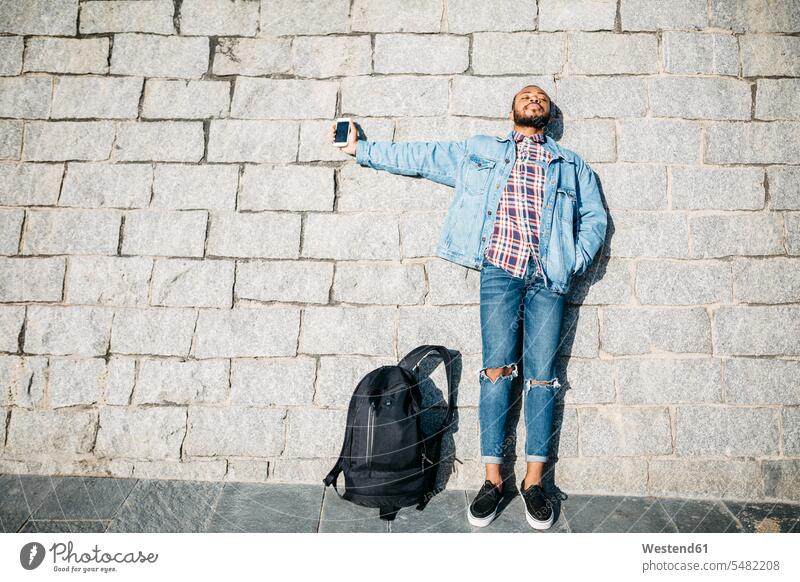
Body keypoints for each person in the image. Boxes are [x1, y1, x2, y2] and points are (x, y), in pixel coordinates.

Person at [329, 85, 607, 529]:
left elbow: (595, 217)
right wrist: (362, 149)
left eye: (541, 97)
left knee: (542, 378)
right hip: (499, 270)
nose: (534, 99)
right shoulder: (481, 151)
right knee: (495, 371)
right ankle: (494, 480)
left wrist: (573, 260)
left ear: (550, 113)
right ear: (512, 110)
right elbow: (423, 158)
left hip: (549, 277)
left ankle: (535, 483)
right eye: (525, 96)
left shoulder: (571, 164)